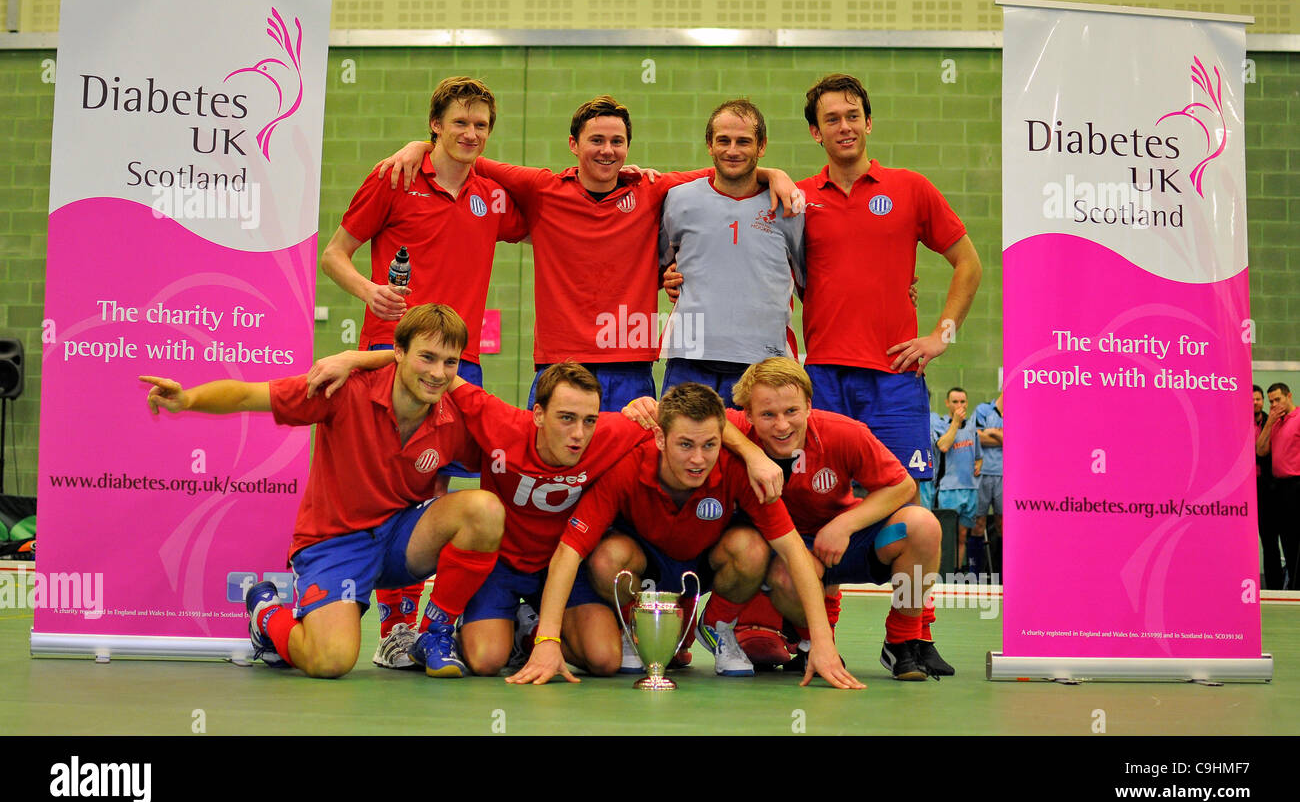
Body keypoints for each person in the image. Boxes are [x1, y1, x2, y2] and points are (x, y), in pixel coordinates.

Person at [307, 354, 784, 676]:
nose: (578, 433)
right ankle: (482, 628)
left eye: (589, 420)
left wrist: (755, 456)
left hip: (562, 569)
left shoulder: (615, 433)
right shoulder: (497, 420)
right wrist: (353, 359)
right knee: (485, 661)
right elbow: (431, 368)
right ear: (537, 414)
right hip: (503, 567)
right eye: (565, 418)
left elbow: (713, 423)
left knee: (603, 660)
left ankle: (534, 627)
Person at [139, 305, 505, 679]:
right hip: (335, 542)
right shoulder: (344, 390)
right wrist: (188, 400)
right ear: (398, 352)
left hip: (401, 539)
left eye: (450, 362)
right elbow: (250, 396)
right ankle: (266, 613)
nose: (437, 373)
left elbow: (514, 449)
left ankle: (434, 634)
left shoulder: (454, 415)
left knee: (484, 510)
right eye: (427, 357)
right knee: (328, 660)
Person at [374, 95, 804, 410]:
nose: (607, 150)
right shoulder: (543, 189)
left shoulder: (653, 190)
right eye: (596, 140)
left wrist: (775, 173)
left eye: (617, 141)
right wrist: (421, 145)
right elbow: (472, 157)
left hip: (630, 365)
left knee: (631, 485)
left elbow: (728, 170)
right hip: (559, 366)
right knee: (550, 475)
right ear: (573, 144)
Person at [320, 76, 526, 665]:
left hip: (462, 367)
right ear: (434, 123)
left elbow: (551, 209)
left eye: (481, 124)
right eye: (459, 122)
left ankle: (444, 623)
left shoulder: (491, 194)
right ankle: (396, 626)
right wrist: (369, 291)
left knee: (443, 487)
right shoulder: (395, 177)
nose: (470, 133)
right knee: (393, 487)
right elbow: (334, 254)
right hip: (391, 357)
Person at [508, 382, 862, 689]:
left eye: (709, 445)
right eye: (685, 445)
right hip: (644, 566)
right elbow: (568, 552)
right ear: (660, 437)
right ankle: (635, 627)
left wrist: (823, 643)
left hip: (703, 567)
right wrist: (547, 640)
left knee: (752, 548)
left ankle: (718, 626)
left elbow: (794, 552)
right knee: (606, 559)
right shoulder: (628, 466)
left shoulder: (736, 469)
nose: (698, 459)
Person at [796, 73, 981, 493]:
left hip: (894, 375)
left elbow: (969, 264)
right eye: (832, 119)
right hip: (824, 378)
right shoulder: (798, 200)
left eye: (853, 116)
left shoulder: (911, 188)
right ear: (815, 132)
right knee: (823, 500)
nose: (844, 126)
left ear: (868, 123)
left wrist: (941, 336)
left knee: (905, 501)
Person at [723, 358, 950, 680]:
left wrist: (846, 524)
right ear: (747, 415)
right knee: (787, 573)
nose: (782, 425)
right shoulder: (737, 429)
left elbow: (902, 485)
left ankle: (901, 639)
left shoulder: (845, 432)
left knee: (922, 525)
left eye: (792, 411)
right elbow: (693, 412)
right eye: (767, 415)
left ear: (809, 405)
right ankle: (812, 642)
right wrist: (751, 453)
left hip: (845, 544)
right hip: (788, 552)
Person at [658, 98, 804, 405]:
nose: (733, 150)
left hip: (765, 367)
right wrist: (666, 275)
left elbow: (816, 284)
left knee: (757, 454)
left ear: (761, 146)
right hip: (689, 358)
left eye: (744, 141)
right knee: (683, 451)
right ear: (709, 145)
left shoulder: (791, 207)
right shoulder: (677, 200)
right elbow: (651, 264)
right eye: (723, 140)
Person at [932, 387, 983, 573]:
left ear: (967, 403)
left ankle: (955, 571)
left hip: (970, 489)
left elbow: (978, 456)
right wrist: (955, 422)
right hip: (948, 489)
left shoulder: (972, 428)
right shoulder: (940, 424)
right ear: (947, 403)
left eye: (962, 402)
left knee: (962, 536)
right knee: (946, 537)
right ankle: (940, 573)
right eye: (955, 402)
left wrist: (979, 464)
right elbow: (943, 446)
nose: (959, 405)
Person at [1257, 382, 1300, 589]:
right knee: (1286, 538)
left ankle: (1296, 585)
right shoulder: (1275, 422)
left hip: (1296, 484)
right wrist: (1269, 422)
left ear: (1289, 396)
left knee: (1295, 537)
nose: (1274, 404)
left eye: (1278, 400)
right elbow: (1261, 451)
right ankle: (1291, 584)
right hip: (1280, 487)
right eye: (1271, 401)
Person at [1254, 385, 1282, 589]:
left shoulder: (1273, 422)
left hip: (1267, 489)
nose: (1255, 402)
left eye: (1258, 399)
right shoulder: (1237, 423)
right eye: (1251, 399)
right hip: (1244, 490)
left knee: (1270, 539)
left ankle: (1275, 586)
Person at [973, 390, 1004, 574]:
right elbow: (977, 437)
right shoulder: (983, 410)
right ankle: (975, 574)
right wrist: (1002, 437)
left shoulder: (1019, 411)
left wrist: (991, 433)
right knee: (978, 524)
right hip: (983, 474)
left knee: (1003, 525)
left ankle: (1003, 574)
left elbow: (1018, 440)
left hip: (1005, 476)